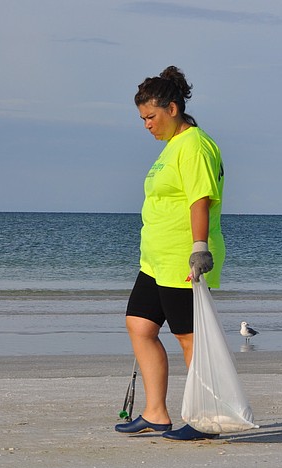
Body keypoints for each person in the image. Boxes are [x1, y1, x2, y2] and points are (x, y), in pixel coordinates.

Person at [115, 66, 226, 441]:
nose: (146, 124)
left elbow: (200, 198)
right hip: (155, 260)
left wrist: (199, 248)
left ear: (173, 108)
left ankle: (204, 417)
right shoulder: (171, 148)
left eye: (151, 116)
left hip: (183, 258)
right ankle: (155, 412)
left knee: (189, 338)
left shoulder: (194, 144)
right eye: (142, 118)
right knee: (139, 324)